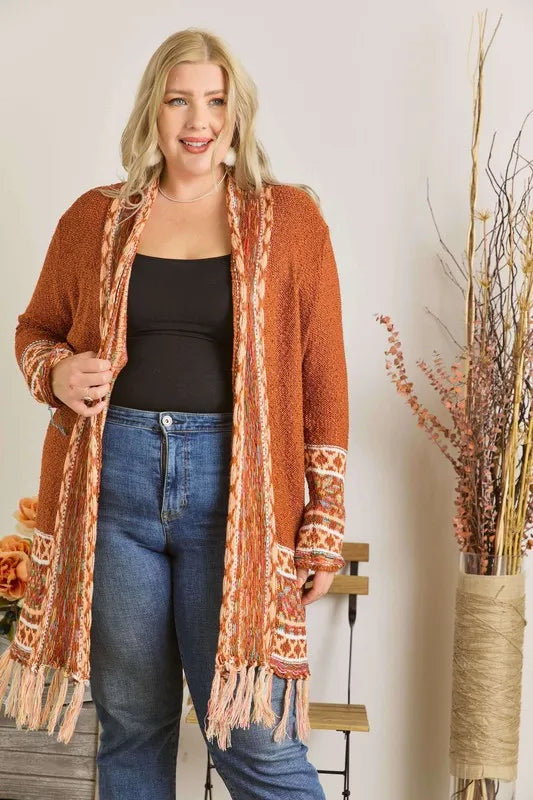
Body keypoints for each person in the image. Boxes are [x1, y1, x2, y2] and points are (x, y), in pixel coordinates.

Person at [1, 27, 349, 800]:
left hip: (238, 497)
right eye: (179, 100)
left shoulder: (289, 220)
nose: (199, 120)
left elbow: (322, 374)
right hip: (113, 487)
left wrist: (323, 516)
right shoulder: (95, 218)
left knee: (253, 736)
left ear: (237, 113)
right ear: (151, 113)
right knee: (132, 724)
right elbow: (35, 329)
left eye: (216, 101)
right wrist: (56, 370)